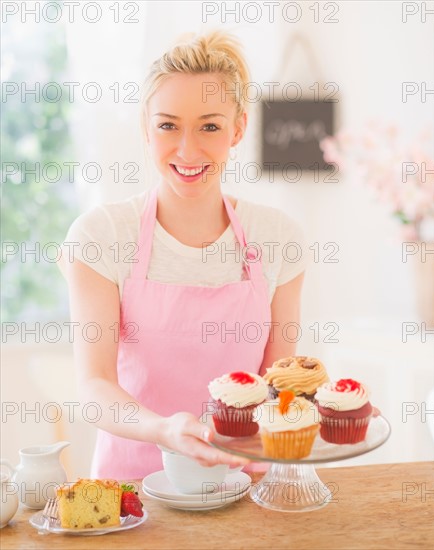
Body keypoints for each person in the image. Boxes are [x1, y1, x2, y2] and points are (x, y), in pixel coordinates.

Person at [60, 30, 307, 479]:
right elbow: (94, 388)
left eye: (210, 126)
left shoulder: (278, 238)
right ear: (145, 128)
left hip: (243, 483)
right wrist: (163, 429)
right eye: (168, 125)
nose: (188, 150)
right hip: (131, 499)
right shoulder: (101, 236)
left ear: (238, 128)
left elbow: (278, 385)